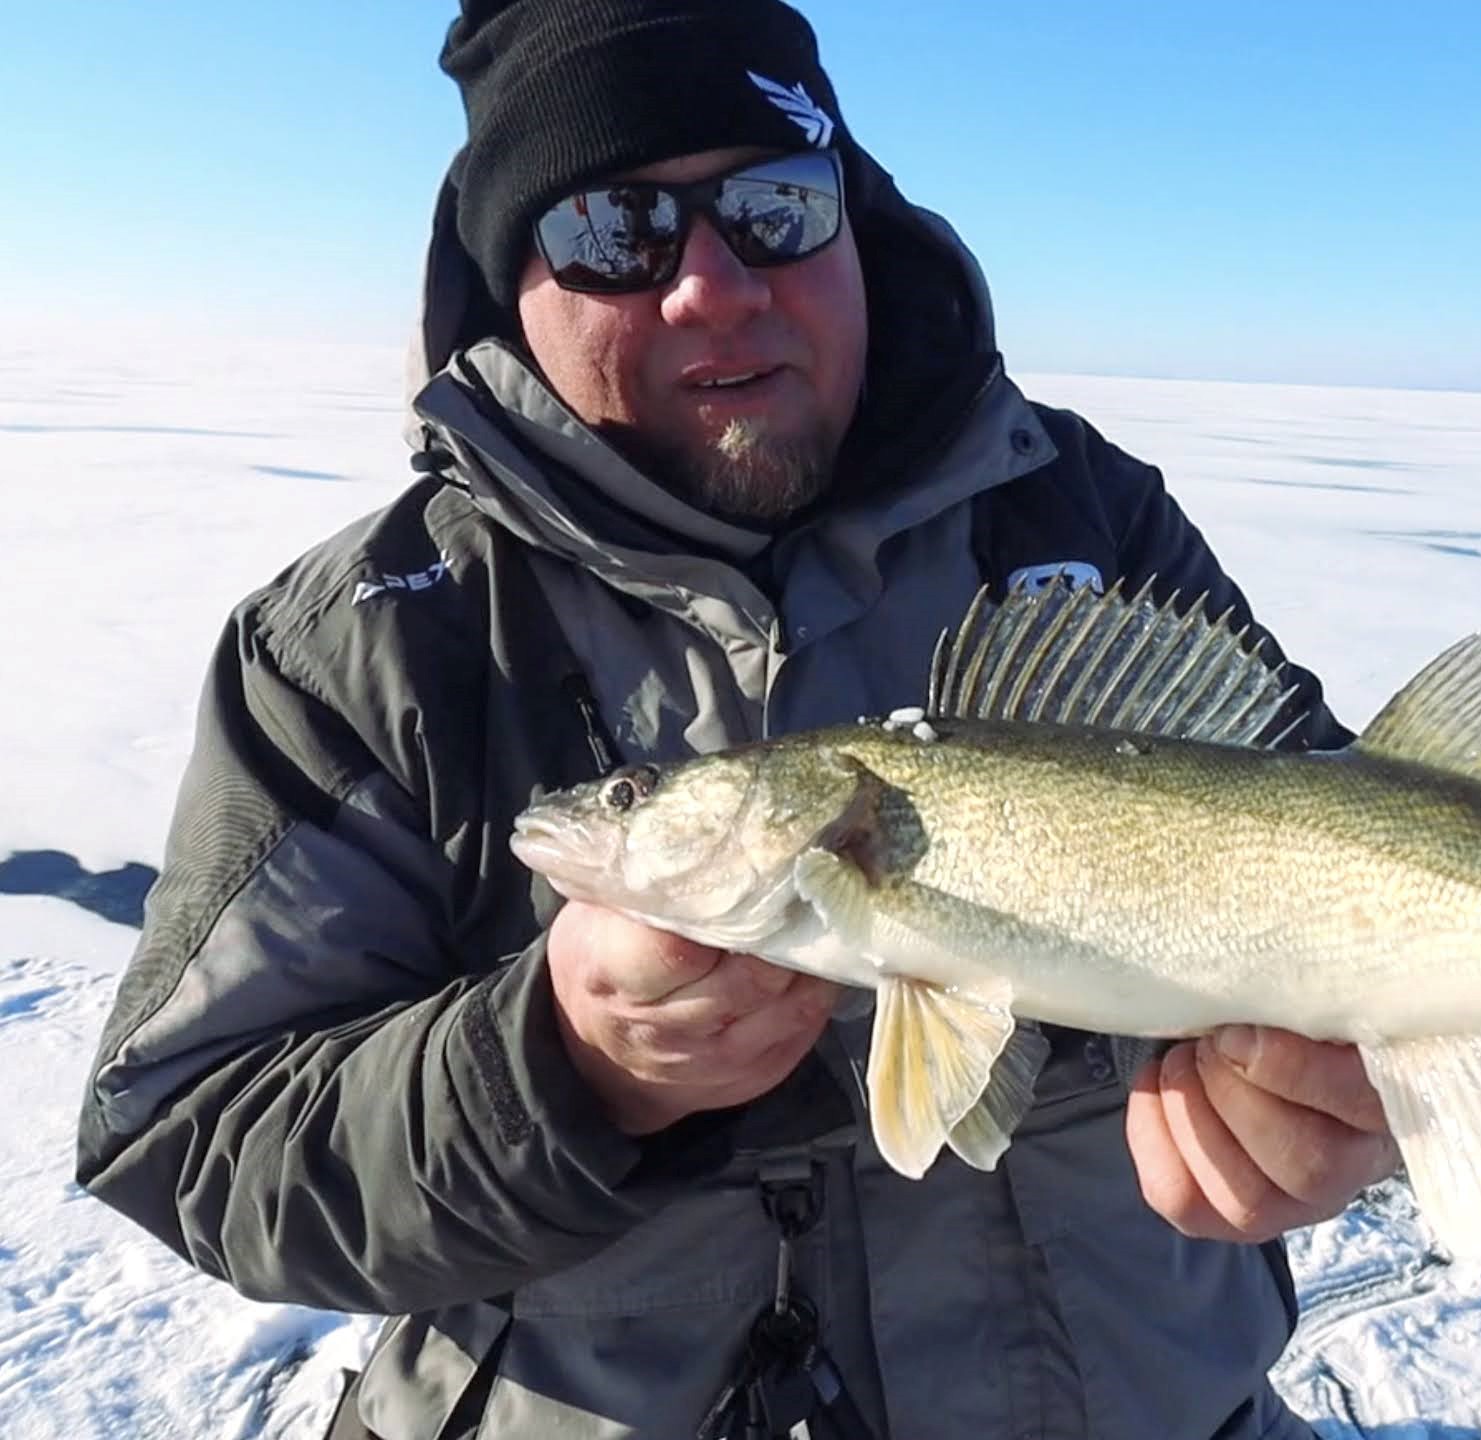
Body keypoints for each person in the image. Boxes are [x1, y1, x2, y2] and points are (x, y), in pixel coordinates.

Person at [73, 2, 1397, 1435]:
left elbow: (1363, 870)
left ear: (855, 222)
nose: (712, 286)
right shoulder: (372, 641)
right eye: (611, 229)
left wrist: (1351, 1086)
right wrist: (553, 1069)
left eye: (776, 206)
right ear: (512, 281)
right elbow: (189, 1139)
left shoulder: (1080, 516)